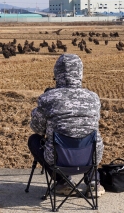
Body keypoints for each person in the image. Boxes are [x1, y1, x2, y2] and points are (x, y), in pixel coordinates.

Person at [28, 53, 105, 196]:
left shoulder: (48, 98)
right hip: (90, 157)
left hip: (60, 159)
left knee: (33, 140)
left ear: (57, 73)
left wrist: (37, 112)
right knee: (88, 139)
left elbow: (36, 129)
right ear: (80, 73)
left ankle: (64, 183)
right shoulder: (94, 98)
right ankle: (94, 182)